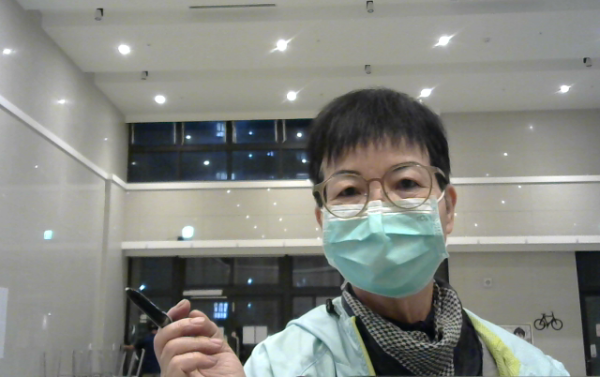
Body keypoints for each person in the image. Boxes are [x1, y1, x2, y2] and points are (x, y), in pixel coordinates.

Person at [153, 88, 569, 376]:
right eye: (349, 190)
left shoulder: (528, 367)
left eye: (406, 183)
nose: (378, 209)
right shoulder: (278, 367)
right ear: (323, 222)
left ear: (448, 209)